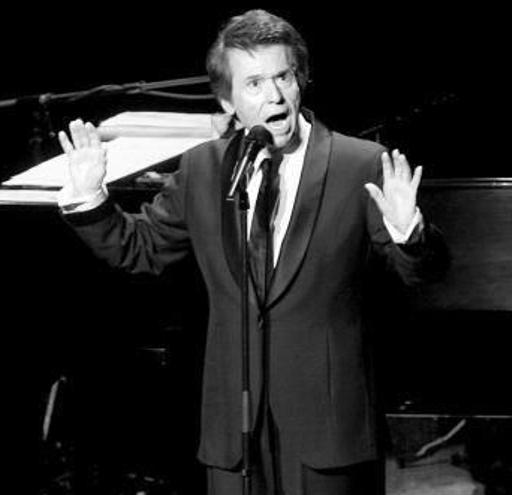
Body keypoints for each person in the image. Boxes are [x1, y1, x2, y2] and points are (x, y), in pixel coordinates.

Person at [57, 9, 448, 495]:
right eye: (255, 83)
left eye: (283, 77)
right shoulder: (203, 169)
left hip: (328, 428)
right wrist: (90, 199)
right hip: (234, 429)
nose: (275, 95)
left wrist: (410, 231)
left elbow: (423, 274)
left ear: (301, 79)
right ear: (228, 100)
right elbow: (142, 249)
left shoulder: (359, 164)